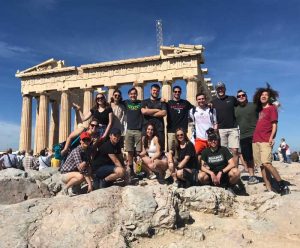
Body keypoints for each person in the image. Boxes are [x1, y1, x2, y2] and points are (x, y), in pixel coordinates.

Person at [252, 84, 290, 195]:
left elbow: (274, 125)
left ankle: (282, 185)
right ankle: (269, 189)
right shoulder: (259, 110)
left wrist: (272, 138)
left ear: (269, 97)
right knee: (262, 166)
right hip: (255, 140)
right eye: (262, 95)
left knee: (267, 163)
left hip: (265, 140)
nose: (263, 96)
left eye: (266, 95)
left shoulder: (272, 108)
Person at [235, 90, 259, 184]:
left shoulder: (254, 105)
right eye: (239, 96)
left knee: (259, 157)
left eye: (243, 95)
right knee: (248, 158)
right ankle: (252, 176)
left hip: (256, 134)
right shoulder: (235, 109)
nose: (241, 97)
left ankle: (267, 177)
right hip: (243, 136)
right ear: (237, 98)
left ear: (246, 96)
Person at [211, 82, 239, 165]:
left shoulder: (232, 99)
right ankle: (226, 172)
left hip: (233, 128)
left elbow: (242, 105)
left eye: (222, 88)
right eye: (218, 88)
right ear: (216, 90)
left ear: (225, 89)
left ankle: (235, 172)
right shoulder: (213, 102)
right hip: (221, 129)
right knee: (224, 151)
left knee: (234, 150)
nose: (220, 90)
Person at [60, 131, 93, 195]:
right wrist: (90, 184)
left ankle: (75, 187)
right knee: (80, 176)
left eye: (88, 140)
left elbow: (88, 163)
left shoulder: (87, 150)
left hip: (75, 172)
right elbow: (81, 169)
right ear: (80, 141)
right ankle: (66, 188)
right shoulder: (76, 151)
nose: (86, 141)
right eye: (84, 140)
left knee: (89, 169)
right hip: (65, 174)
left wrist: (85, 162)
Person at [190, 93, 217, 162]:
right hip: (199, 139)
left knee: (213, 156)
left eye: (202, 99)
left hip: (210, 139)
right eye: (199, 99)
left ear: (205, 99)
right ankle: (196, 170)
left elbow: (215, 122)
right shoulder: (192, 111)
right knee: (194, 155)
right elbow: (192, 123)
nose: (201, 100)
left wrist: (215, 132)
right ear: (196, 100)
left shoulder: (212, 110)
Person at [166, 86, 193, 151]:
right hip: (171, 131)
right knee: (171, 151)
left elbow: (196, 109)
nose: (177, 93)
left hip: (182, 131)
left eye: (179, 91)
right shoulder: (168, 103)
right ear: (173, 93)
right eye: (175, 91)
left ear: (180, 92)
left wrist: (208, 104)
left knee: (182, 150)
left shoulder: (186, 103)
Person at [124, 87, 143, 175]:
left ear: (137, 94)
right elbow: (115, 101)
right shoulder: (126, 102)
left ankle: (138, 171)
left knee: (139, 152)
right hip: (129, 130)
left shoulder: (141, 103)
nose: (133, 95)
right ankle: (131, 170)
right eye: (131, 94)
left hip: (138, 130)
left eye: (134, 93)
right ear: (129, 95)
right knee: (130, 151)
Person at [141, 84, 167, 148]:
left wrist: (149, 111)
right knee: (146, 149)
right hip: (147, 129)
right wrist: (157, 110)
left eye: (157, 91)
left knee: (160, 150)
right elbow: (144, 111)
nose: (155, 92)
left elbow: (164, 113)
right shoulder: (144, 101)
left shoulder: (162, 101)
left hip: (159, 129)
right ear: (150, 91)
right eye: (154, 90)